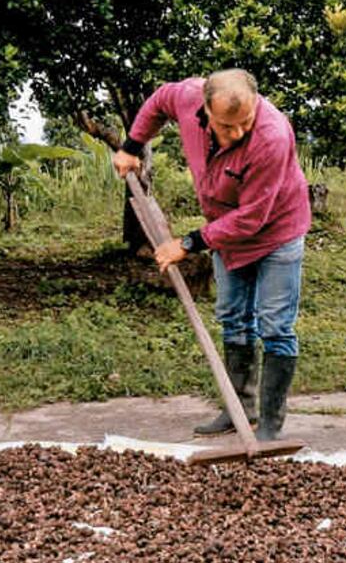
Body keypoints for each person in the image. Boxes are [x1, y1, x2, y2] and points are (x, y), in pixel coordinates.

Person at [112, 68, 311, 441]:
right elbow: (159, 101)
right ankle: (240, 411)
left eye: (245, 122)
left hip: (277, 232)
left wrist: (188, 243)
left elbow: (252, 218)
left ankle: (270, 424)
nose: (237, 133)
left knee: (275, 326)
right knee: (233, 318)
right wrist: (131, 147)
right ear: (205, 109)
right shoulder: (188, 96)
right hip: (227, 231)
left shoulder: (271, 136)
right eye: (226, 126)